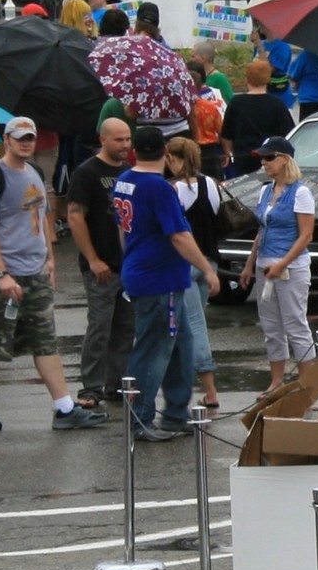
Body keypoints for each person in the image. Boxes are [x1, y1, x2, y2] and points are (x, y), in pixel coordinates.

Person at [0, 119, 102, 433]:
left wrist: (49, 258)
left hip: (33, 272)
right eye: (19, 138)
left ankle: (64, 409)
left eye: (30, 138)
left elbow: (42, 217)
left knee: (45, 341)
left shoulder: (33, 172)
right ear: (6, 140)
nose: (26, 143)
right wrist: (2, 274)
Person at [116, 124, 219, 439]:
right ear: (163, 151)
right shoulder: (158, 188)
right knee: (154, 349)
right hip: (159, 280)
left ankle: (175, 412)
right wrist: (207, 269)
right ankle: (141, 418)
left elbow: (123, 230)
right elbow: (178, 235)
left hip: (144, 271)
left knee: (181, 346)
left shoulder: (125, 181)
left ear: (134, 150)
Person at [66, 116, 135, 407]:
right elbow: (74, 215)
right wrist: (93, 259)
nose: (124, 145)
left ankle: (116, 384)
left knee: (125, 327)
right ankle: (90, 388)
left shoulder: (131, 172)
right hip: (101, 267)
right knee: (100, 326)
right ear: (103, 139)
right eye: (119, 139)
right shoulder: (87, 173)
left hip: (128, 267)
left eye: (128, 139)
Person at [240, 136, 316, 388]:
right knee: (271, 327)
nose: (265, 163)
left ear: (285, 160)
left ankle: (308, 385)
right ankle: (276, 381)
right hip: (265, 264)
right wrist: (250, 263)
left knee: (295, 324)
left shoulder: (301, 192)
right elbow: (261, 230)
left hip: (290, 268)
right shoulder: (265, 190)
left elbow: (306, 235)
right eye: (263, 158)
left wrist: (283, 263)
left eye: (270, 157)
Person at [163, 134, 224, 412]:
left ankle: (209, 392)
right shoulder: (211, 184)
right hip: (209, 262)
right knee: (192, 325)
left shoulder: (172, 190)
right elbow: (218, 219)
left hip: (184, 264)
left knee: (191, 327)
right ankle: (189, 387)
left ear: (173, 159)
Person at [218, 56, 294, 180]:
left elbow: (226, 136)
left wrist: (233, 153)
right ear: (268, 79)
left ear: (247, 78)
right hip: (270, 161)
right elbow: (288, 135)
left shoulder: (236, 103)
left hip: (242, 160)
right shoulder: (277, 104)